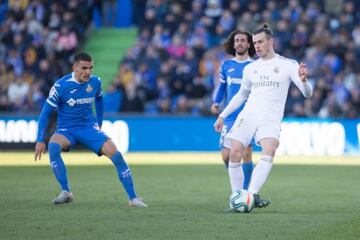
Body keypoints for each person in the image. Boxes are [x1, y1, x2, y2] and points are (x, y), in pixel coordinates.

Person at [214, 24, 313, 208]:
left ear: (270, 42)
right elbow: (241, 95)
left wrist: (305, 81)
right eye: (255, 43)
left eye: (260, 42)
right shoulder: (251, 68)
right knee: (234, 152)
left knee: (270, 150)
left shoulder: (288, 65)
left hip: (271, 117)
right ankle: (237, 197)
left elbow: (307, 93)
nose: (256, 46)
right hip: (249, 113)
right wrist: (222, 115)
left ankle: (250, 195)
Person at [34, 52, 148, 207]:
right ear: (74, 68)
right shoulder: (61, 86)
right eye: (84, 68)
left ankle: (133, 198)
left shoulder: (95, 82)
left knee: (117, 156)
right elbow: (45, 113)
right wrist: (40, 139)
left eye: (91, 68)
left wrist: (99, 123)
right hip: (66, 130)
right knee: (53, 145)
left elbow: (100, 100)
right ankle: (66, 191)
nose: (88, 72)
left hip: (88, 128)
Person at [211, 29, 255, 190]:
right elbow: (222, 86)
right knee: (226, 155)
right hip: (230, 116)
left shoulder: (254, 66)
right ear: (233, 44)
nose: (240, 43)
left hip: (248, 116)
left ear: (249, 44)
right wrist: (216, 102)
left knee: (246, 153)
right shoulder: (226, 65)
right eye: (237, 40)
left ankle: (244, 191)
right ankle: (239, 182)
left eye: (243, 40)